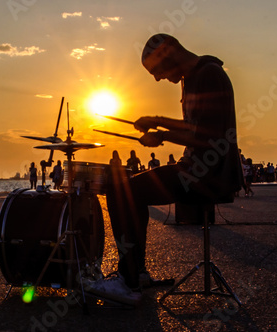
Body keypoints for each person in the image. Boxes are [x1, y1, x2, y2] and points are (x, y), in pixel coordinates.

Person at [85, 34, 243, 305]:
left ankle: (128, 282)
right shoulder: (191, 78)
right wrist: (156, 121)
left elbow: (210, 137)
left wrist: (163, 137)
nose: (157, 78)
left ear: (169, 51)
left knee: (123, 191)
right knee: (131, 186)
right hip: (195, 168)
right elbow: (192, 125)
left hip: (209, 173)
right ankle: (138, 273)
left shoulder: (210, 75)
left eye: (156, 70)